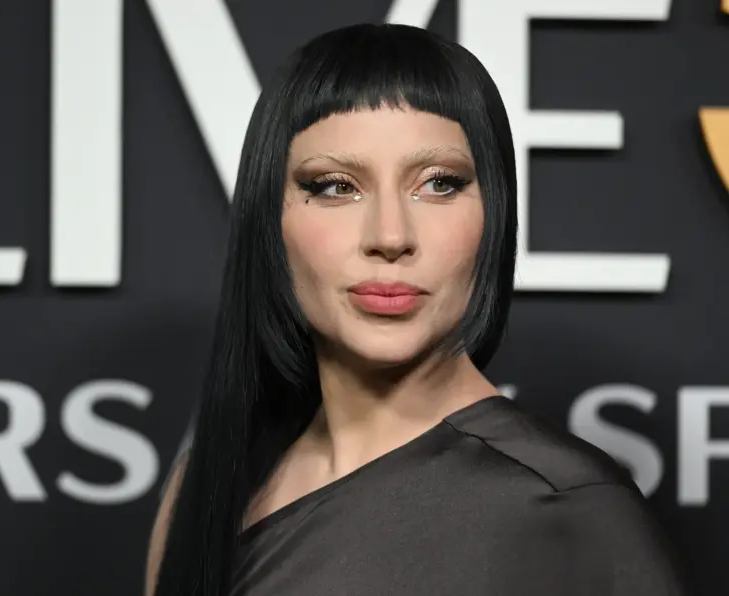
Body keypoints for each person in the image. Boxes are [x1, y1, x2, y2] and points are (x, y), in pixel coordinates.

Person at [145, 23, 691, 596]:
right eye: (335, 186)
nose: (390, 236)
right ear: (269, 219)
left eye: (439, 184)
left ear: (494, 213)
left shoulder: (568, 510)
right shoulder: (207, 493)